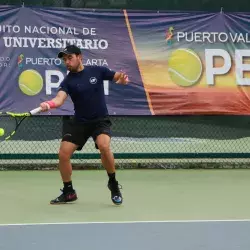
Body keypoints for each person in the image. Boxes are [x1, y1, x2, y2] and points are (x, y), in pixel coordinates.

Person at [39, 44, 129, 205]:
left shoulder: (97, 71)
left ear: (80, 57)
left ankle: (113, 183)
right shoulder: (68, 81)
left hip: (99, 120)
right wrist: (49, 104)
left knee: (104, 146)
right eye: (64, 59)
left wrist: (122, 79)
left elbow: (117, 77)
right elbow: (59, 99)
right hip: (80, 122)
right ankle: (69, 192)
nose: (67, 62)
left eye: (70, 58)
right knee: (63, 154)